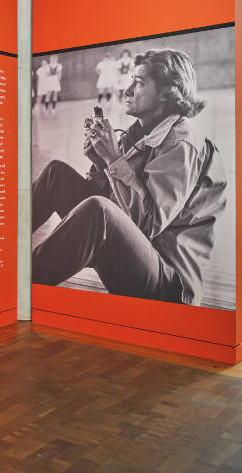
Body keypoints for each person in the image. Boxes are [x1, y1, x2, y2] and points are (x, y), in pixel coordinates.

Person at [32, 48, 226, 305]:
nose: (128, 90)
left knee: (98, 211)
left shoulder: (182, 143)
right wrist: (101, 161)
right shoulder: (141, 131)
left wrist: (114, 159)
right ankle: (2, 255)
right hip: (140, 251)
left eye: (140, 82)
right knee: (55, 173)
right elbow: (116, 199)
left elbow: (147, 224)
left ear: (169, 92)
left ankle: (18, 285)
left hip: (168, 285)